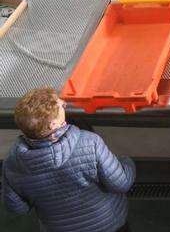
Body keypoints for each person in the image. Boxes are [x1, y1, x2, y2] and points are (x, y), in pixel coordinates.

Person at [1, 88, 135, 232]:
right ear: (53, 124)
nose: (64, 105)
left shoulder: (11, 164)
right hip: (108, 224)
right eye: (62, 106)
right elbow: (121, 183)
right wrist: (126, 161)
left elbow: (17, 208)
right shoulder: (90, 143)